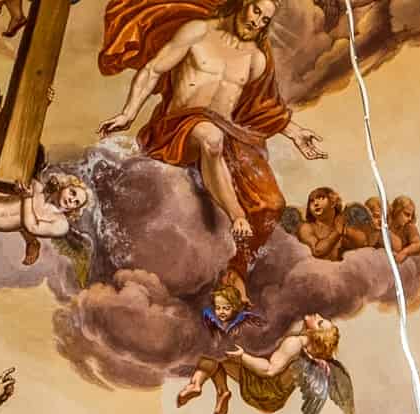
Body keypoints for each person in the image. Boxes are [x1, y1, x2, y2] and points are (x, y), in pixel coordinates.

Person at [97, 0, 326, 275]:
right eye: (256, 11)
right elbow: (153, 70)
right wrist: (128, 113)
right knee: (210, 136)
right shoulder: (197, 31)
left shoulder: (256, 58)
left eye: (266, 20)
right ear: (242, 3)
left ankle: (236, 270)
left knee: (271, 203)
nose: (257, 22)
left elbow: (262, 109)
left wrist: (296, 133)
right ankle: (236, 215)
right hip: (176, 129)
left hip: (224, 133)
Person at [177, 313, 353, 414]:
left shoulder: (295, 343)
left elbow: (270, 370)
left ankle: (196, 383)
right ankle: (222, 392)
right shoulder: (311, 352)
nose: (317, 315)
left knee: (213, 351)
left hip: (264, 389)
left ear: (315, 335)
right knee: (219, 357)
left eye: (320, 323)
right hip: (274, 398)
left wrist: (243, 357)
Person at [294, 185, 370, 260]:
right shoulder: (306, 227)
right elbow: (317, 251)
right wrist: (337, 232)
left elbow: (363, 242)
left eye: (321, 198)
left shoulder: (341, 222)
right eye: (312, 201)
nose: (315, 203)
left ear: (333, 202)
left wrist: (345, 230)